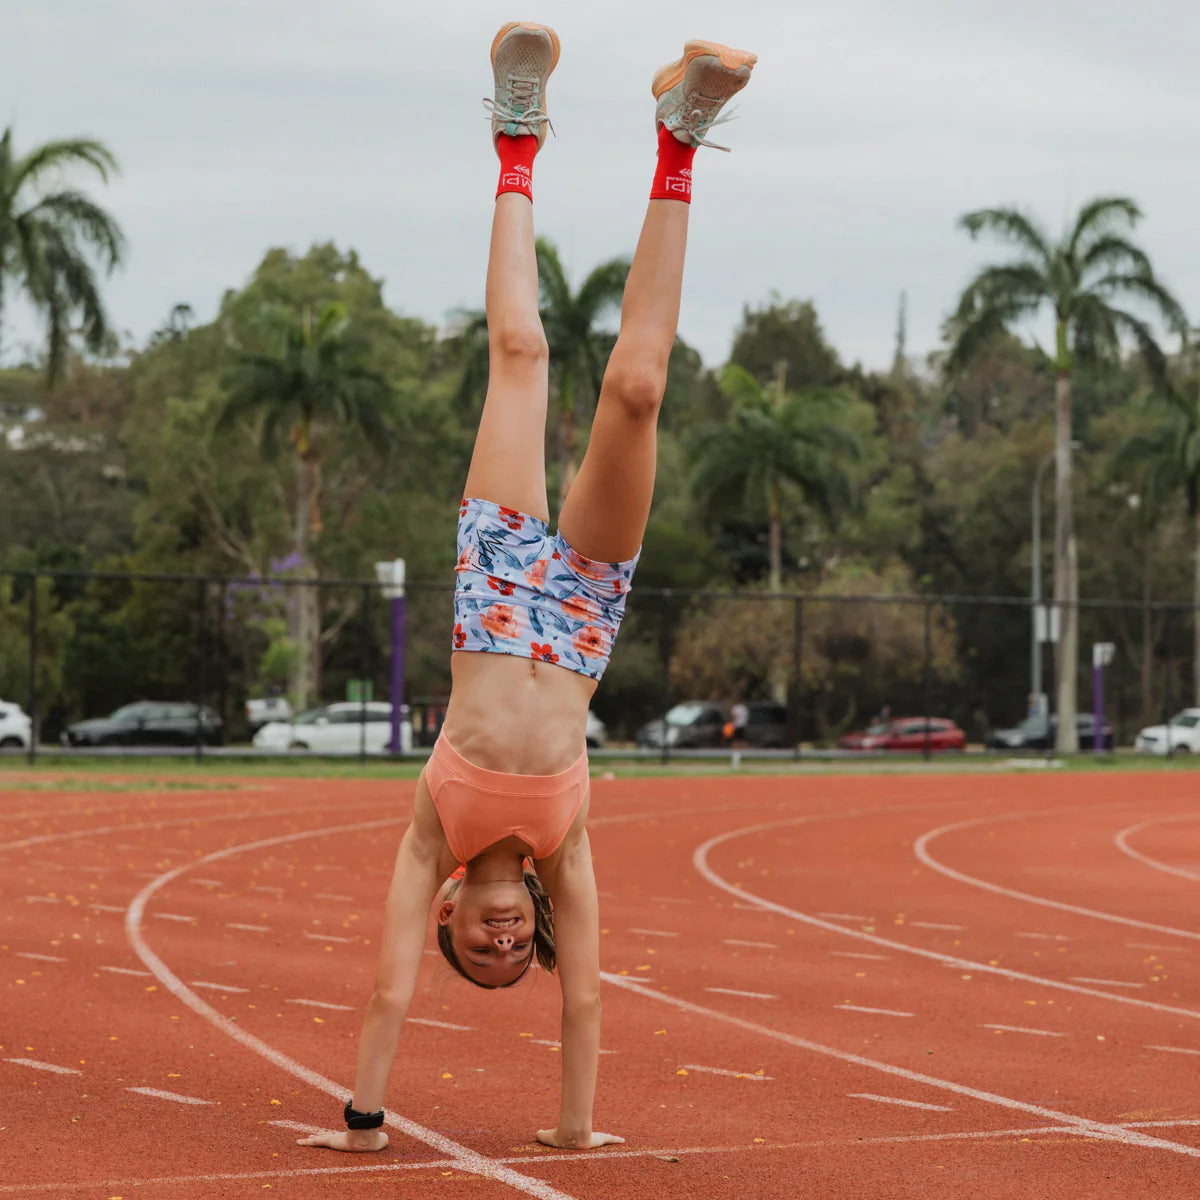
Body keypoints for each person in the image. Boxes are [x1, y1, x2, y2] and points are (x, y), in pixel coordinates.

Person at [299, 19, 756, 1155]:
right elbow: (588, 997)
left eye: (478, 948)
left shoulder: (429, 835)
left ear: (449, 916)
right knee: (638, 389)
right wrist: (574, 1135)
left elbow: (388, 993)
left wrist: (363, 1123)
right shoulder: (567, 843)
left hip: (499, 588)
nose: (503, 942)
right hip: (589, 612)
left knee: (522, 353)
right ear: (533, 925)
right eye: (517, 953)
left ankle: (515, 137)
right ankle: (678, 141)